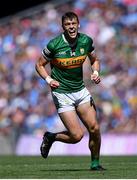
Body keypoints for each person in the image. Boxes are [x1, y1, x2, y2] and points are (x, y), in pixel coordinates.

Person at [35, 11, 105, 171]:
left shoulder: (86, 41)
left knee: (95, 128)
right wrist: (49, 79)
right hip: (63, 94)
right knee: (76, 136)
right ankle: (51, 137)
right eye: (68, 24)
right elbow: (39, 65)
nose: (71, 27)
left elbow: (95, 60)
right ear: (63, 27)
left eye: (74, 23)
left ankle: (95, 164)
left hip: (80, 91)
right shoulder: (54, 45)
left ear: (78, 24)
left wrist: (95, 72)